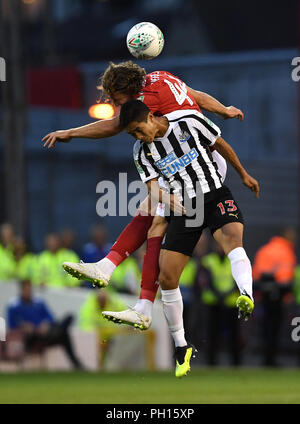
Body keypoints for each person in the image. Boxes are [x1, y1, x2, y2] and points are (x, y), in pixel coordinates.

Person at [44, 62, 242, 326]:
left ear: (127, 90)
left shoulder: (145, 100)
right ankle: (134, 296)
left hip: (195, 164)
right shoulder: (161, 77)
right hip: (194, 159)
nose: (116, 106)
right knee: (150, 219)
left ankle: (135, 297)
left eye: (116, 100)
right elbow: (196, 96)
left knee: (154, 222)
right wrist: (224, 110)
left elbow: (113, 125)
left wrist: (70, 132)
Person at [114, 99, 259, 377]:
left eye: (139, 129)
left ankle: (246, 295)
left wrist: (243, 174)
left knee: (232, 239)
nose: (139, 137)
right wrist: (165, 198)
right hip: (184, 208)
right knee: (167, 277)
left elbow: (219, 144)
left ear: (152, 116)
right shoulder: (141, 152)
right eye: (133, 134)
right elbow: (152, 188)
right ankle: (182, 346)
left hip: (214, 193)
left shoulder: (188, 121)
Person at [7, 280, 83, 369]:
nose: (29, 291)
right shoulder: (14, 306)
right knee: (64, 333)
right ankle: (76, 364)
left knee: (69, 319)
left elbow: (51, 318)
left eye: (30, 288)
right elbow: (11, 325)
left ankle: (60, 330)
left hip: (45, 335)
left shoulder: (39, 303)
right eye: (26, 289)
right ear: (22, 290)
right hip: (30, 338)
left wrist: (45, 324)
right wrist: (23, 326)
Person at [253, 228, 297, 366]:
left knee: (266, 327)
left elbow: (257, 274)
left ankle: (267, 358)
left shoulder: (265, 250)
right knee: (275, 327)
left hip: (265, 294)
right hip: (279, 295)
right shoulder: (286, 251)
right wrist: (287, 294)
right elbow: (286, 277)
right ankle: (271, 359)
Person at [201, 243, 241, 366]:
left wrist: (225, 295)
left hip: (230, 303)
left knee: (234, 335)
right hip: (214, 303)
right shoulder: (208, 261)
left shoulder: (234, 261)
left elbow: (238, 281)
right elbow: (205, 280)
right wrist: (220, 295)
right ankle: (211, 362)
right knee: (212, 334)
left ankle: (236, 363)